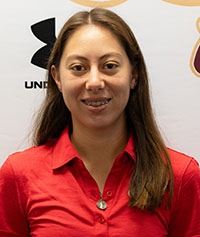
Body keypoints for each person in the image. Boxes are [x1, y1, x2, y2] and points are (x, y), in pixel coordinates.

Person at [0, 8, 199, 237]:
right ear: (57, 77)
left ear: (134, 74)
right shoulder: (18, 175)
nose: (94, 82)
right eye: (78, 68)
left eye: (110, 66)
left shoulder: (180, 176)